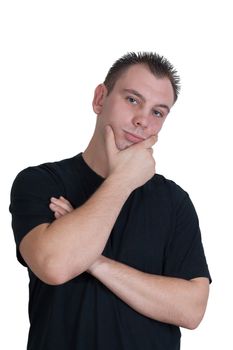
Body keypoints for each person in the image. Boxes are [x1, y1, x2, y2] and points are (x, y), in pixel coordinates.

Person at [10, 52, 211, 350]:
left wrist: (94, 262)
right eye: (132, 100)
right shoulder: (41, 182)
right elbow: (54, 265)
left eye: (158, 112)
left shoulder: (174, 202)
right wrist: (123, 180)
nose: (143, 120)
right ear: (100, 98)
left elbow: (191, 310)